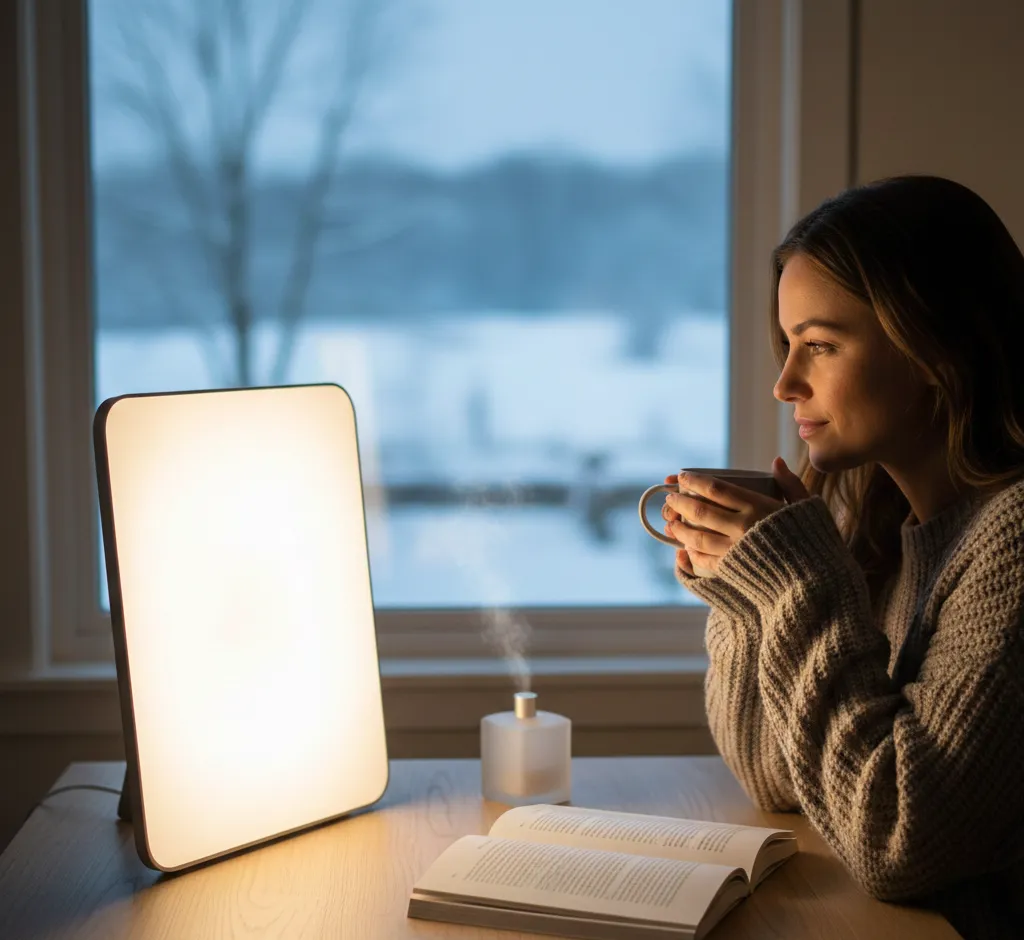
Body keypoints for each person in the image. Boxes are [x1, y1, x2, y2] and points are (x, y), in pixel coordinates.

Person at [661, 175, 1024, 940]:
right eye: (788, 345)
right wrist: (751, 598)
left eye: (819, 345)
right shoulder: (889, 535)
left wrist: (797, 584)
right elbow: (779, 778)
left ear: (935, 347)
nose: (784, 382)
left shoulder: (1014, 539)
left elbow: (900, 842)